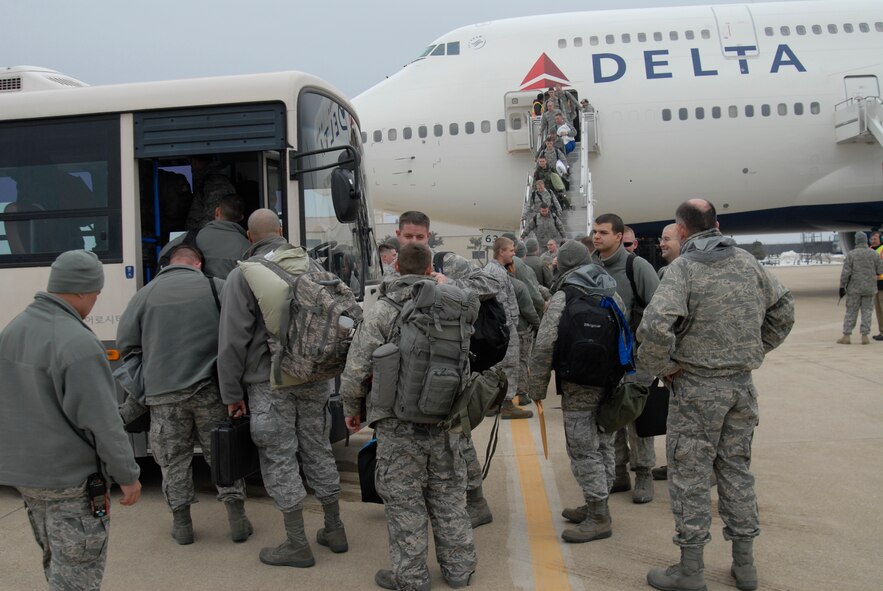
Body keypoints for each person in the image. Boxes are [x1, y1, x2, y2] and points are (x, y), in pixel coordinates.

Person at [637, 199, 795, 591]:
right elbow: (784, 310)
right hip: (741, 387)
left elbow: (655, 325)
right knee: (736, 471)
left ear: (683, 231)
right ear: (718, 225)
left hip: (696, 391)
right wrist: (752, 349)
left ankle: (691, 571)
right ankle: (745, 567)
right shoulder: (748, 263)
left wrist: (663, 366)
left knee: (690, 476)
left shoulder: (683, 269)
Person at [0, 250, 142, 589]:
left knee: (56, 564)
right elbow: (103, 422)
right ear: (80, 291)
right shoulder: (78, 342)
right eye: (95, 293)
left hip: (27, 478)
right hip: (71, 483)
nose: (95, 301)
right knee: (77, 576)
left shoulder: (14, 329)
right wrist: (128, 475)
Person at [340, 243, 476, 591]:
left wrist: (352, 410)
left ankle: (412, 577)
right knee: (448, 494)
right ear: (431, 267)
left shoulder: (384, 309)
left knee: (404, 501)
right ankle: (459, 570)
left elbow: (357, 367)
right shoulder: (454, 305)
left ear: (396, 267)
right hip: (447, 419)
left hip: (399, 425)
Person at [218, 208, 346, 568]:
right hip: (315, 377)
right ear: (281, 231)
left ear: (249, 237)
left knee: (279, 457)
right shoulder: (314, 266)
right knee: (318, 449)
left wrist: (231, 395)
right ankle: (334, 529)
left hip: (269, 383)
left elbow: (231, 343)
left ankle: (296, 543)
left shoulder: (242, 276)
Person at [117, 244, 251, 545]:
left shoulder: (144, 294)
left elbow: (126, 345)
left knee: (173, 461)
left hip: (164, 397)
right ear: (198, 264)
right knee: (223, 455)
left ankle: (182, 526)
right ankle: (237, 519)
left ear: (168, 265)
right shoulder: (216, 287)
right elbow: (237, 333)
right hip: (210, 392)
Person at [385, 211, 502, 529]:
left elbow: (491, 285)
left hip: (447, 369)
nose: (412, 241)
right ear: (398, 234)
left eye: (419, 237)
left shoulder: (447, 265)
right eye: (407, 236)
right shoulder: (390, 269)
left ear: (428, 236)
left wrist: (452, 285)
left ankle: (475, 500)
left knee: (457, 437)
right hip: (409, 372)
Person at [530, 241, 626, 543]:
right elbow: (627, 334)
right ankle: (598, 502)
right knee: (604, 444)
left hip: (578, 386)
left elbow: (545, 344)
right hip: (610, 382)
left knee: (583, 449)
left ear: (563, 267)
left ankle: (599, 516)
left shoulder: (564, 295)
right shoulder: (612, 291)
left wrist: (536, 387)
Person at [591, 213, 660, 503]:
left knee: (636, 415)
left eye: (604, 232)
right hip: (602, 358)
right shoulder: (589, 267)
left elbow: (659, 313)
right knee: (610, 415)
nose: (597, 237)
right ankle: (618, 471)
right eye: (595, 232)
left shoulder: (637, 267)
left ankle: (643, 472)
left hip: (635, 358)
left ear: (619, 236)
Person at [484, 236, 532, 420]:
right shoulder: (496, 272)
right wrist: (509, 325)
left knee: (498, 366)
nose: (513, 253)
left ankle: (494, 403)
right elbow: (501, 303)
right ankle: (506, 404)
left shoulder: (495, 269)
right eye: (511, 250)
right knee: (510, 365)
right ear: (501, 252)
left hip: (501, 327)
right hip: (504, 328)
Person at [651, 222, 682, 482]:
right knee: (675, 419)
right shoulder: (664, 273)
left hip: (687, 367)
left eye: (667, 239)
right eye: (661, 238)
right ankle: (675, 464)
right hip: (674, 366)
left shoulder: (684, 273)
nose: (661, 243)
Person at [837, 231, 883, 344]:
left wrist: (842, 287)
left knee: (851, 312)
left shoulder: (851, 255)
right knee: (867, 312)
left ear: (856, 241)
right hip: (869, 288)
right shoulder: (874, 254)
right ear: (866, 240)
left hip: (854, 289)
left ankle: (846, 336)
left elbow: (845, 273)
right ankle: (865, 336)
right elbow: (880, 270)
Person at [185, 156, 237, 230]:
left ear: (197, 161)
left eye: (190, 161)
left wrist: (199, 234)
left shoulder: (216, 183)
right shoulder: (205, 180)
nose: (191, 165)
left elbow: (213, 216)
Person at [868, 231, 883, 341]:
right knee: (878, 310)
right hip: (874, 285)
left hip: (882, 283)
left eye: (875, 238)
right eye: (872, 239)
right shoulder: (869, 250)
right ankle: (882, 332)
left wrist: (880, 277)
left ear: (881, 239)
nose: (873, 240)